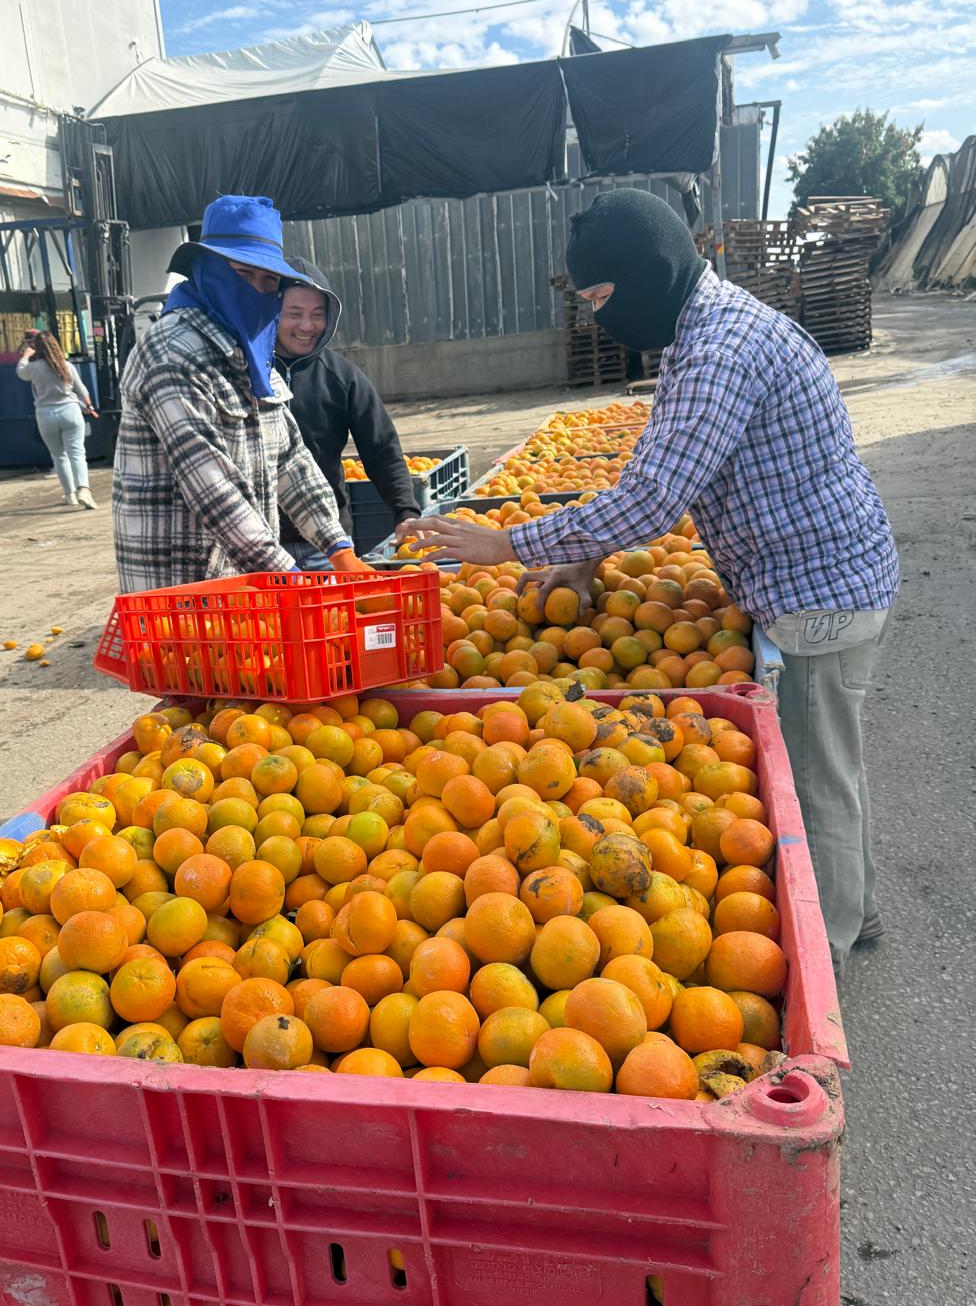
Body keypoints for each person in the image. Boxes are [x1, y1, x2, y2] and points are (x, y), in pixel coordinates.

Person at [401, 189, 899, 982]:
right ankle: (855, 906)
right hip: (811, 579)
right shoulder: (701, 330)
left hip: (821, 593)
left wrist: (506, 542)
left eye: (603, 297)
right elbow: (661, 468)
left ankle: (826, 961)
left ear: (649, 273)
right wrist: (587, 556)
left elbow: (654, 497)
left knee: (814, 780)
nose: (600, 318)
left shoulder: (718, 350)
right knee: (828, 759)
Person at [112, 195, 372, 590]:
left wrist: (339, 549)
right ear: (205, 269)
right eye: (242, 275)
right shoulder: (170, 354)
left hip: (243, 581)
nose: (255, 290)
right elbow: (211, 484)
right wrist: (287, 573)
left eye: (268, 282)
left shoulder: (251, 351)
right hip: (180, 588)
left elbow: (291, 457)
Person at [275, 260, 418, 567]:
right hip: (262, 545)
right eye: (294, 314)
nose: (307, 326)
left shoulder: (341, 376)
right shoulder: (244, 372)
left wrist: (405, 511)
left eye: (318, 314)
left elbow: (381, 448)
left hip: (326, 545)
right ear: (272, 312)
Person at [16, 331, 98, 508]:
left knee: (59, 456)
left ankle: (70, 495)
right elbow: (82, 390)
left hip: (45, 414)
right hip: (70, 411)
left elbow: (20, 373)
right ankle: (84, 489)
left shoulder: (34, 367)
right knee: (77, 453)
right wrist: (89, 406)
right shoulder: (66, 366)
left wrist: (25, 355)